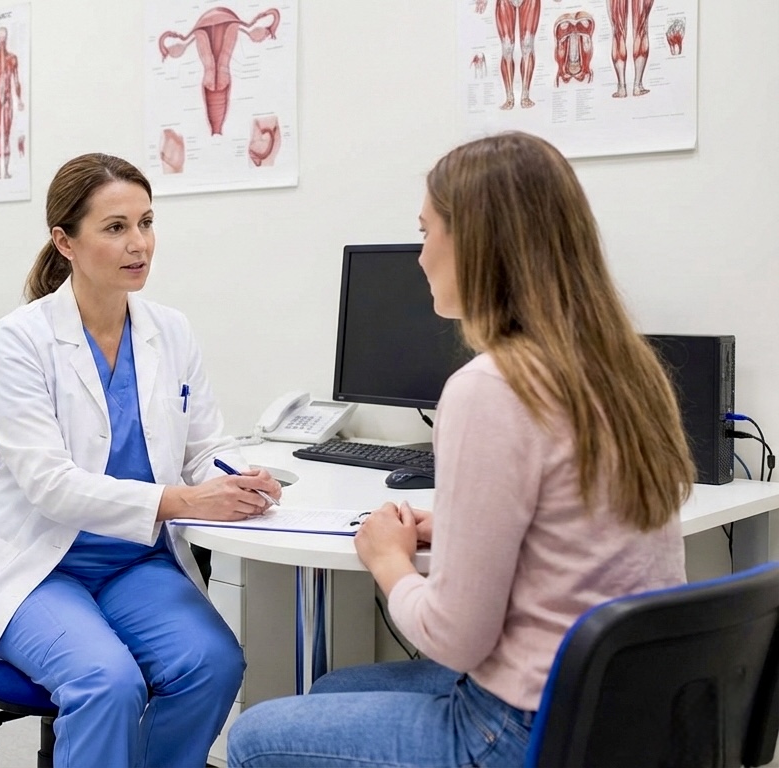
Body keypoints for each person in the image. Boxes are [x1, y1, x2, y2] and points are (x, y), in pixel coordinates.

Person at [227, 131, 694, 767]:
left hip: (524, 729)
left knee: (254, 740)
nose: (419, 257)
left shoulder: (493, 387)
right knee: (335, 691)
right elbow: (577, 532)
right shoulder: (628, 370)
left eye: (426, 232)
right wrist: (452, 528)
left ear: (473, 242)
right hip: (628, 715)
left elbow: (454, 639)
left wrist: (387, 559)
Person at [0, 152, 282, 768]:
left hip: (134, 562)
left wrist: (237, 476)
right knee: (106, 683)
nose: (138, 243)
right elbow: (50, 486)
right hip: (38, 565)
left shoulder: (171, 331)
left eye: (146, 222)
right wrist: (184, 501)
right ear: (64, 240)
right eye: (115, 228)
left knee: (213, 663)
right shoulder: (22, 339)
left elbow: (203, 447)